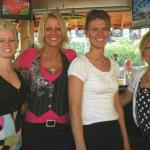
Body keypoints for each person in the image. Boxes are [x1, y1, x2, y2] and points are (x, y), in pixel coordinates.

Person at [68, 10, 130, 150]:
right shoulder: (79, 64)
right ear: (87, 33)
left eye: (104, 29)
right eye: (95, 29)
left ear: (109, 32)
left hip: (114, 130)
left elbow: (117, 106)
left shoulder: (113, 64)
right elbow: (74, 111)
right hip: (91, 132)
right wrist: (80, 146)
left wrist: (125, 139)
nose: (100, 34)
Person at [13, 12, 76, 150]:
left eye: (58, 28)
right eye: (48, 29)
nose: (53, 33)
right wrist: (20, 100)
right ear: (42, 32)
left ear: (63, 31)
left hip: (63, 131)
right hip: (32, 130)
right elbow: (8, 72)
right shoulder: (29, 55)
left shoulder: (71, 56)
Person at [0, 20, 27, 149]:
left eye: (11, 40)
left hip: (17, 138)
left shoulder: (18, 74)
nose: (7, 44)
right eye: (1, 40)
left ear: (16, 43)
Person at [120, 31, 150, 150]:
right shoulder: (140, 73)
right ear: (143, 51)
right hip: (144, 135)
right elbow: (125, 98)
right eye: (148, 47)